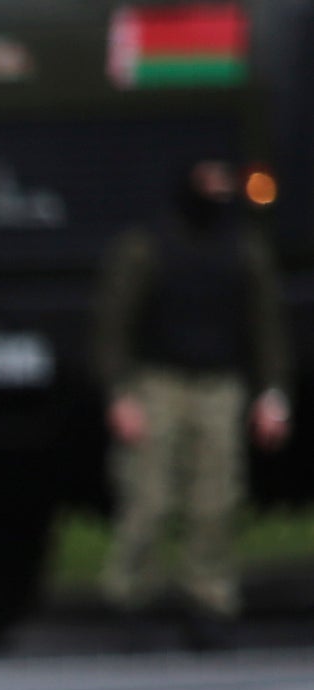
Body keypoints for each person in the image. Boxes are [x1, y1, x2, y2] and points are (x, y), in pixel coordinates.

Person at [96, 157, 293, 644]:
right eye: (207, 181)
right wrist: (120, 392)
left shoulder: (243, 250)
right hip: (158, 383)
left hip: (219, 386)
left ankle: (210, 603)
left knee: (216, 500)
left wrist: (273, 393)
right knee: (149, 497)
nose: (217, 192)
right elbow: (114, 325)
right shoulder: (147, 248)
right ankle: (130, 598)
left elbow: (267, 328)